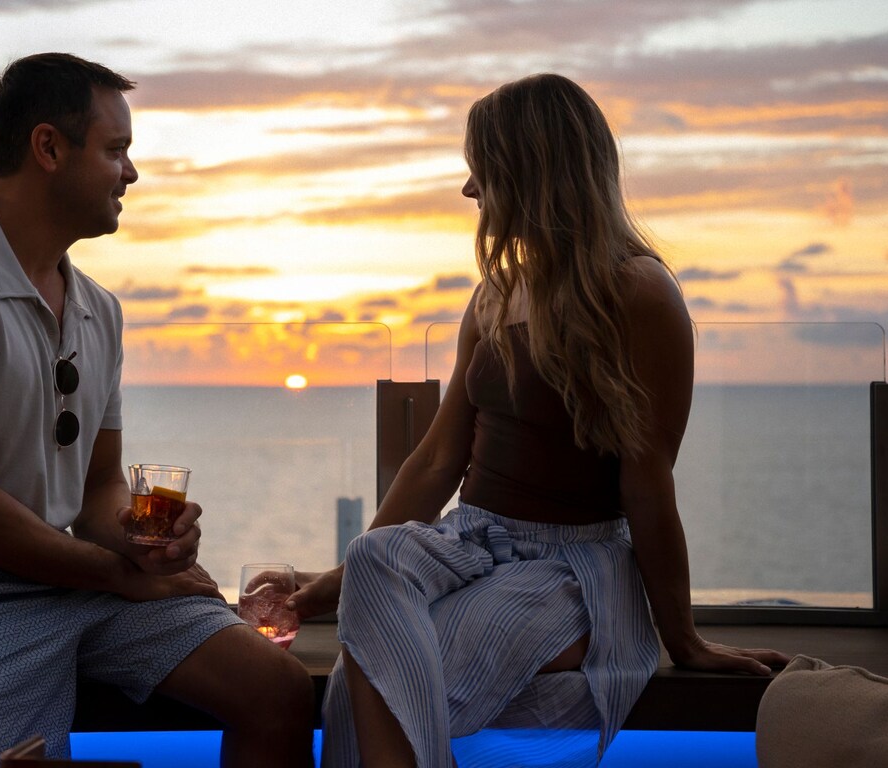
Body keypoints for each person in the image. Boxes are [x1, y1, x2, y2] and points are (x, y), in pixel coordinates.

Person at [0, 52, 314, 768]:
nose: (132, 173)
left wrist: (147, 541)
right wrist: (117, 575)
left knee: (278, 690)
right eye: (116, 151)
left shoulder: (97, 312)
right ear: (48, 147)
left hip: (60, 574)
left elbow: (97, 491)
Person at [287, 73, 790, 767]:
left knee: (387, 668)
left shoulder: (641, 295)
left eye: (481, 172)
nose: (469, 192)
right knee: (377, 554)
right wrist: (328, 586)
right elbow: (438, 460)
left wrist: (684, 637)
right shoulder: (496, 295)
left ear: (531, 171)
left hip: (570, 564)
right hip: (473, 542)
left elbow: (647, 483)